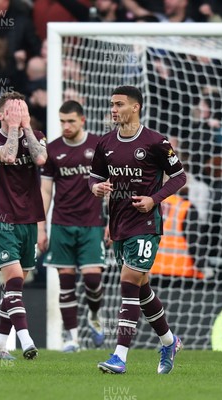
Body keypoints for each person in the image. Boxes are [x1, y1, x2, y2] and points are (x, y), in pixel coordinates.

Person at [89, 86, 186, 374]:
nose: (113, 109)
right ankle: (169, 341)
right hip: (118, 224)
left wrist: (153, 199)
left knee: (128, 283)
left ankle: (119, 356)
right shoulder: (105, 143)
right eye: (111, 105)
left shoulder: (157, 142)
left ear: (136, 107)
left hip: (146, 225)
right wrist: (96, 188)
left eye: (119, 104)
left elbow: (179, 176)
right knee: (142, 290)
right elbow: (94, 177)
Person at [0, 91, 47, 360]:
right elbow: (8, 156)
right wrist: (12, 129)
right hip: (2, 219)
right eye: (13, 110)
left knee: (14, 287)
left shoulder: (37, 136)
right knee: (16, 278)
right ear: (1, 115)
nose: (19, 114)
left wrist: (26, 127)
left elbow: (41, 158)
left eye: (23, 109)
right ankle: (25, 338)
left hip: (29, 219)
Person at [38, 100, 106, 352]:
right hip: (62, 223)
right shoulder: (53, 150)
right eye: (62, 121)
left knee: (92, 278)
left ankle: (95, 316)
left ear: (82, 120)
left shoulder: (98, 146)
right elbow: (45, 190)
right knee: (65, 281)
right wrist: (41, 227)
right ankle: (72, 338)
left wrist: (113, 222)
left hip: (92, 223)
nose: (66, 126)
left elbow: (111, 187)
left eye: (71, 121)